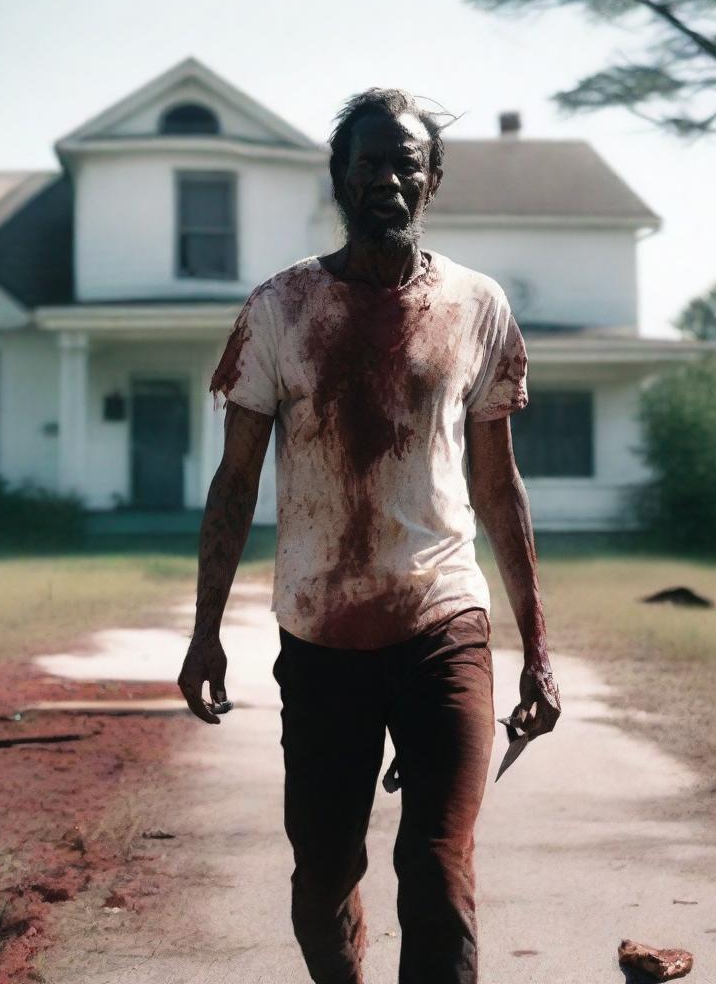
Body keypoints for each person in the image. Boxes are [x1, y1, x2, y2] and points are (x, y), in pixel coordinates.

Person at [177, 88, 561, 984]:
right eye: (368, 162)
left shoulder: (477, 304)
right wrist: (203, 635)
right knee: (323, 880)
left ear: (431, 179)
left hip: (444, 623)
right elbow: (235, 483)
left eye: (406, 163)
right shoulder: (279, 307)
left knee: (435, 870)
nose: (387, 178)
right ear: (341, 176)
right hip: (319, 637)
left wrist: (538, 647)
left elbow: (498, 486)